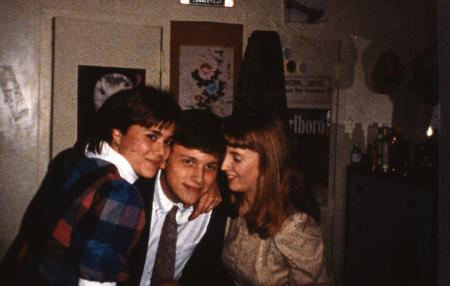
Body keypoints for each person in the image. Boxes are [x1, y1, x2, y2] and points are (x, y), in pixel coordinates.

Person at [0, 86, 216, 286]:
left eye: (167, 141)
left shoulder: (72, 159)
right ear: (117, 133)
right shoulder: (120, 194)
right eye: (151, 137)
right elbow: (96, 282)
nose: (161, 152)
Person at [221, 113, 332, 286]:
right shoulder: (235, 206)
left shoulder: (294, 226)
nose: (224, 165)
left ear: (267, 163)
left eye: (236, 158)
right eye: (224, 154)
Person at [125, 109, 231, 286]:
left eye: (210, 166)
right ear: (164, 158)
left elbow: (208, 272)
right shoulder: (131, 195)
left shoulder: (219, 204)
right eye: (188, 162)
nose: (199, 178)